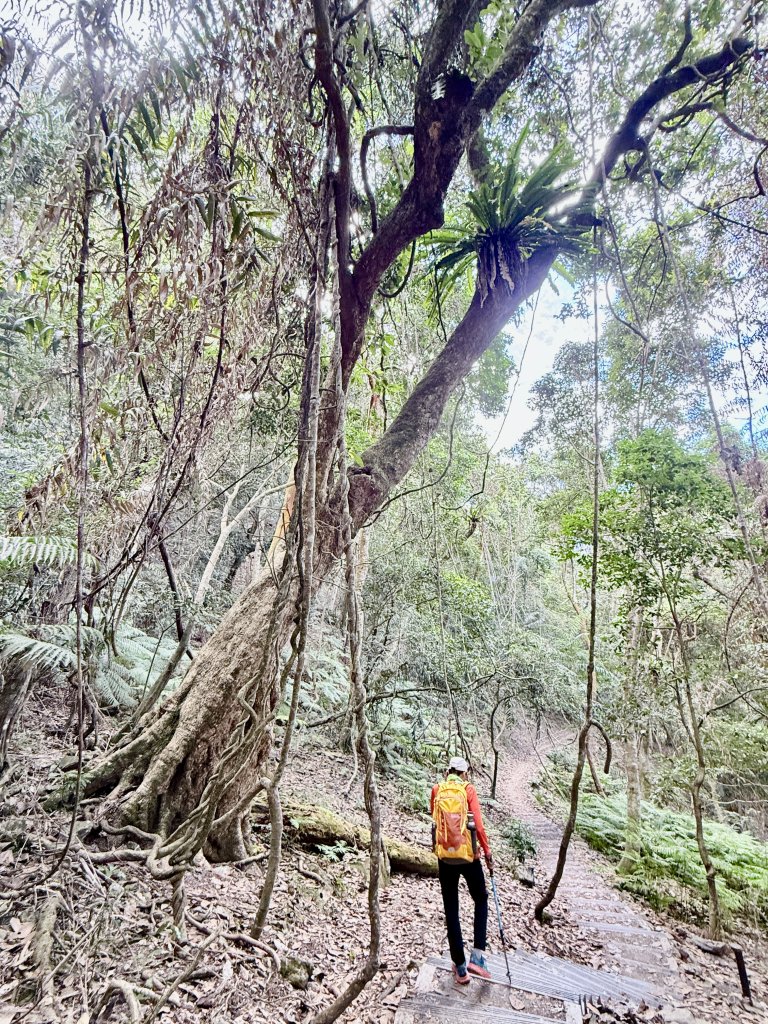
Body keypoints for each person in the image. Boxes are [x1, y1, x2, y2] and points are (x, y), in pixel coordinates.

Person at [430, 755, 493, 984]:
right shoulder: (469, 790)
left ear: (448, 772)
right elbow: (478, 823)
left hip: (445, 857)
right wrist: (486, 851)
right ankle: (477, 957)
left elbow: (435, 818)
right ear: (464, 773)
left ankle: (460, 968)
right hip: (469, 856)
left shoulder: (437, 789)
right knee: (481, 898)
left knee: (451, 909)